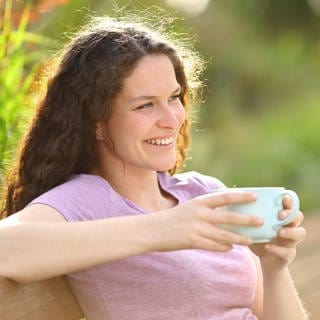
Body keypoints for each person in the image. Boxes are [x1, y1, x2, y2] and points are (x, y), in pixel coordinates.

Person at [0, 14, 307, 320]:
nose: (173, 119)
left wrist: (274, 268)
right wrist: (164, 228)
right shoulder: (87, 199)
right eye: (145, 105)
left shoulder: (203, 191)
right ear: (95, 122)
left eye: (174, 98)